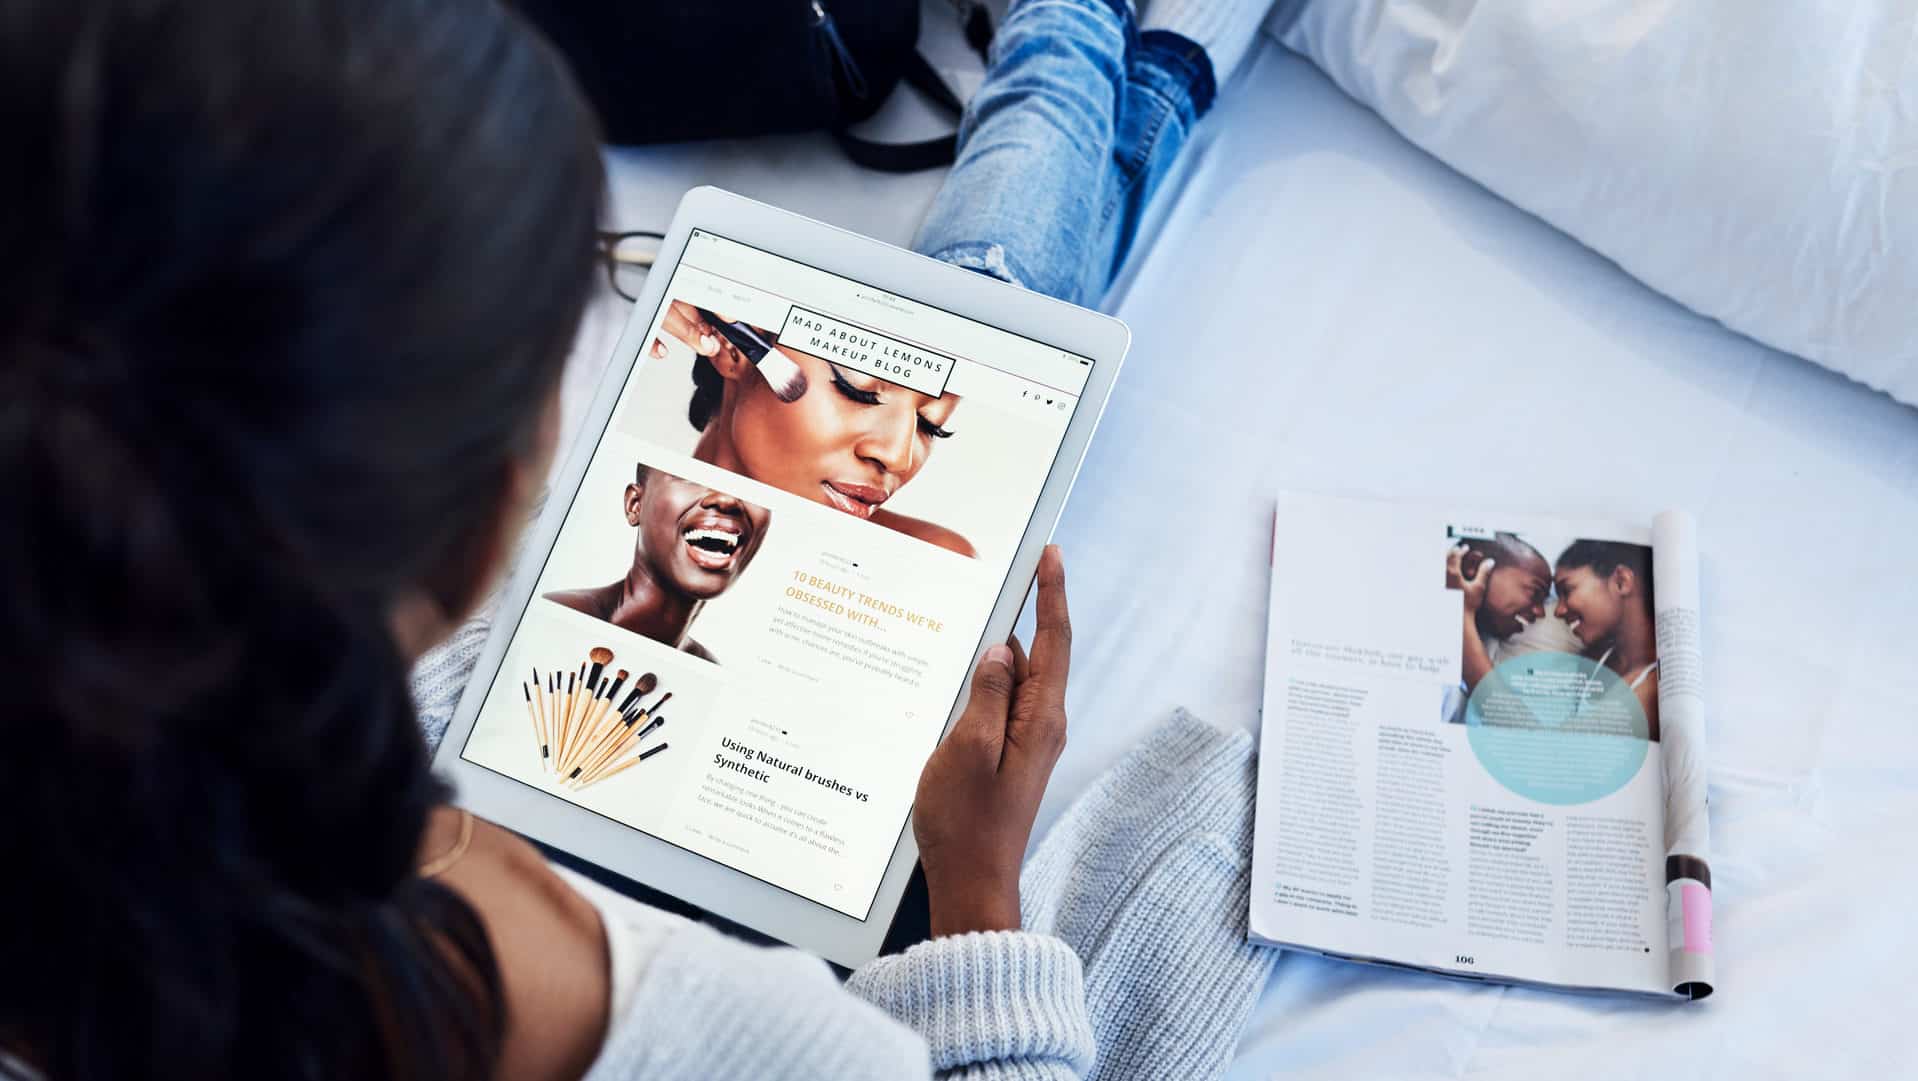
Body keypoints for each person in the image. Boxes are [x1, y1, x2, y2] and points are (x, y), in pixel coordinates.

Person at [6, 0, 1273, 1078]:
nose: (892, 454)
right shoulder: (649, 1013)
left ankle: (1121, 50)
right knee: (991, 306)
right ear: (504, 500)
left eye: (922, 428)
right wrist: (979, 897)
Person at [648, 301, 975, 557]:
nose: (897, 457)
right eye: (856, 391)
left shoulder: (933, 560)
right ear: (732, 348)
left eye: (931, 426)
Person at [544, 464, 771, 662]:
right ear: (635, 504)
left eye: (753, 488)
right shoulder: (556, 616)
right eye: (692, 477)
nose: (726, 499)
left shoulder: (706, 668)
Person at [1554, 540, 1661, 740]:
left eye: (1567, 591)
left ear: (1621, 582)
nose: (1558, 611)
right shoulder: (1596, 656)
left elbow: (1559, 749)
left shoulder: (1653, 691)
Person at [1446, 534, 1553, 694]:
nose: (1540, 613)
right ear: (1473, 565)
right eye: (1535, 592)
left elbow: (1499, 709)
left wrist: (1463, 612)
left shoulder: (1485, 646)